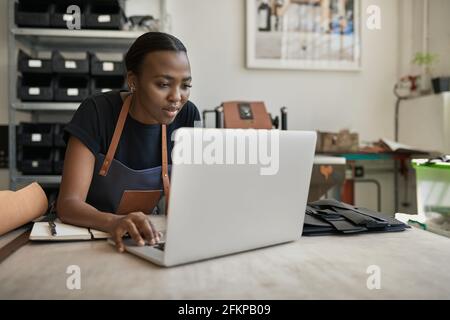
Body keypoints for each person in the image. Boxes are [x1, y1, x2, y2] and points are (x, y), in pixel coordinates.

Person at [56, 32, 200, 252]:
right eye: (163, 84)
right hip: (89, 236)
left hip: (143, 236)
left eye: (185, 85)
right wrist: (113, 222)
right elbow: (68, 205)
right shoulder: (96, 112)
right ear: (133, 81)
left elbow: (190, 197)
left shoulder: (187, 116)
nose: (177, 97)